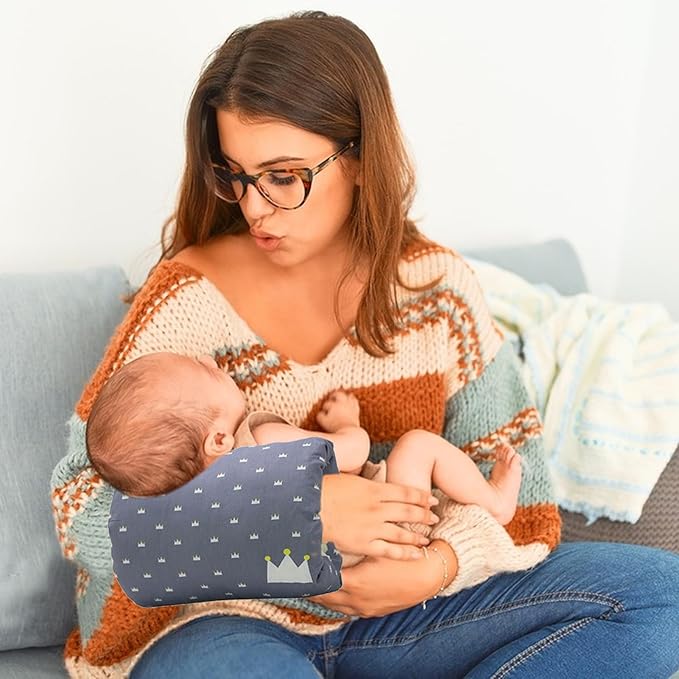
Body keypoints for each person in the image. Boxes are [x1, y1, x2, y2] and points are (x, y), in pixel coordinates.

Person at [49, 10, 679, 679]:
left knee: (657, 595)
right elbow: (83, 511)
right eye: (232, 173)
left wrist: (435, 566)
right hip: (226, 624)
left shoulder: (438, 291)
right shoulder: (185, 300)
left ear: (357, 156)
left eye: (283, 175)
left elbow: (521, 502)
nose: (253, 205)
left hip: (411, 612)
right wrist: (298, 517)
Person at [86, 350, 522, 564]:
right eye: (207, 371)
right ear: (219, 440)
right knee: (417, 445)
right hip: (386, 526)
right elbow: (354, 453)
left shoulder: (205, 509)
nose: (210, 360)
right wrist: (346, 423)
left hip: (331, 570)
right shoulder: (263, 440)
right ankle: (496, 501)